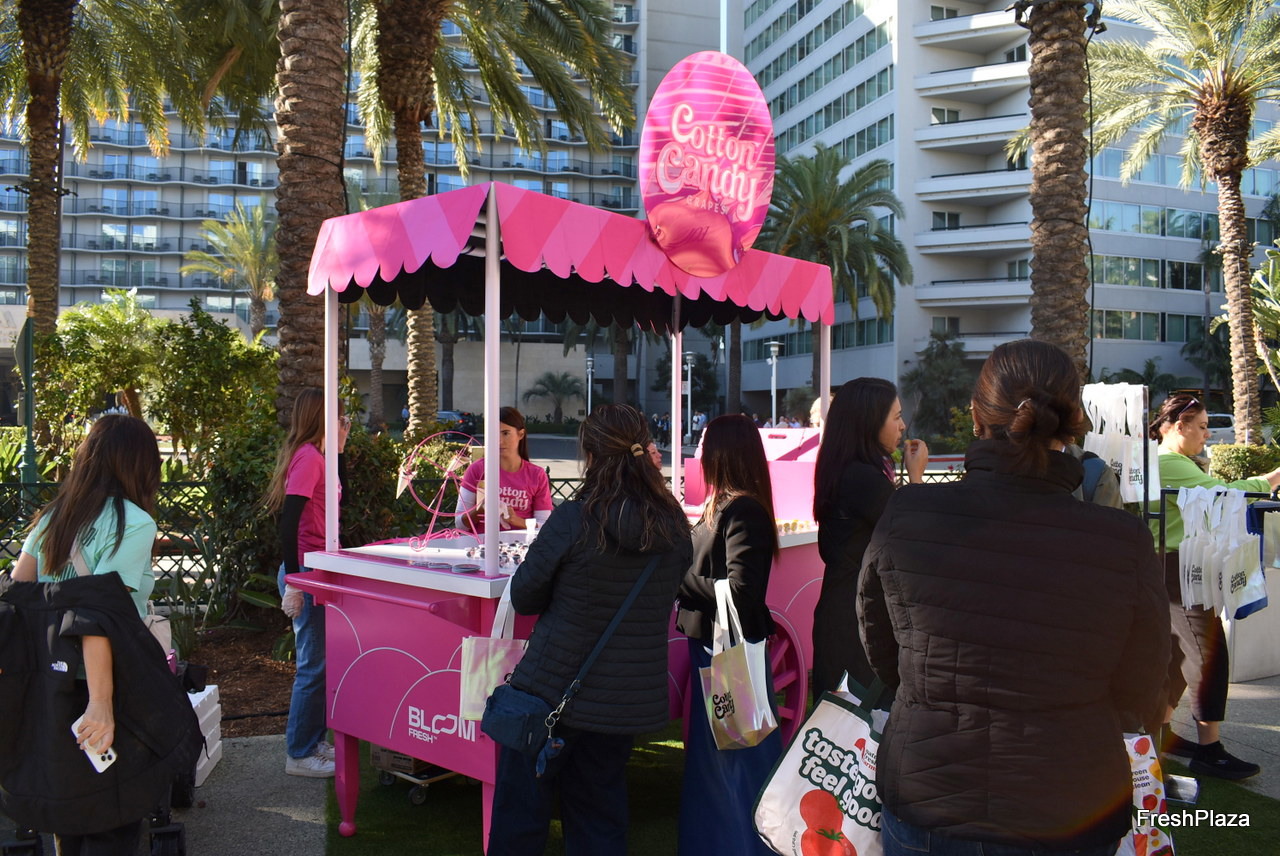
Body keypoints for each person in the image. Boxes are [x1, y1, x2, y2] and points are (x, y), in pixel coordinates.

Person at [859, 339, 1169, 855]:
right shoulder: (1121, 539)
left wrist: (933, 691)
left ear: (976, 416)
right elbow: (1143, 680)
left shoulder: (908, 514)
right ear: (1072, 422)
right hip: (1067, 798)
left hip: (931, 799)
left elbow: (879, 642)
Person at [488, 405, 692, 854]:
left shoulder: (575, 519)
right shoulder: (674, 525)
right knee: (599, 820)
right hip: (623, 702)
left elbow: (525, 595)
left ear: (592, 456)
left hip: (552, 689)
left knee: (519, 820)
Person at [10, 415, 200, 855]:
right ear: (140, 464)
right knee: (112, 816)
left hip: (52, 682)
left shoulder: (53, 517)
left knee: (70, 810)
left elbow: (18, 595)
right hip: (107, 685)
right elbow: (100, 615)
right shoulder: (134, 522)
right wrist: (101, 702)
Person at [1147, 393, 1280, 779]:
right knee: (1208, 655)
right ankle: (1209, 750)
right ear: (1178, 426)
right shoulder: (1168, 462)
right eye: (1203, 427)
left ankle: (1164, 732)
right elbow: (1226, 497)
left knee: (1179, 655)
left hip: (1173, 565)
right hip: (1177, 569)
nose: (1208, 435)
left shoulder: (1166, 461)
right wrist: (1275, 476)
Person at [676, 414, 782, 856]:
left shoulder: (743, 510)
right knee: (717, 761)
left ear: (723, 451)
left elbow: (741, 592)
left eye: (704, 444)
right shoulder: (720, 505)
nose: (699, 452)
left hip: (729, 655)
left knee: (734, 762)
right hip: (712, 649)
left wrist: (676, 578)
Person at [811, 378, 927, 701]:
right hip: (855, 624)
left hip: (844, 613)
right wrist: (916, 478)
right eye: (896, 417)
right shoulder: (863, 478)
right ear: (870, 421)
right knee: (860, 723)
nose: (903, 426)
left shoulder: (846, 469)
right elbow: (912, 536)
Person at [266, 389, 350, 778]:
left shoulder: (319, 457)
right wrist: (294, 581)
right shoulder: (309, 458)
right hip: (306, 569)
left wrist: (340, 449)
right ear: (323, 418)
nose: (345, 424)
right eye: (340, 418)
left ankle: (312, 742)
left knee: (321, 663)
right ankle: (299, 753)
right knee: (313, 666)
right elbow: (289, 522)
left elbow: (339, 499)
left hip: (315, 569)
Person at [458, 406, 553, 532]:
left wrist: (517, 521)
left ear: (520, 434)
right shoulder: (476, 469)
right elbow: (459, 523)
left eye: (506, 433)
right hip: (482, 542)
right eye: (494, 433)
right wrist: (480, 511)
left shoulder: (537, 475)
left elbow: (544, 525)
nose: (499, 441)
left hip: (521, 543)